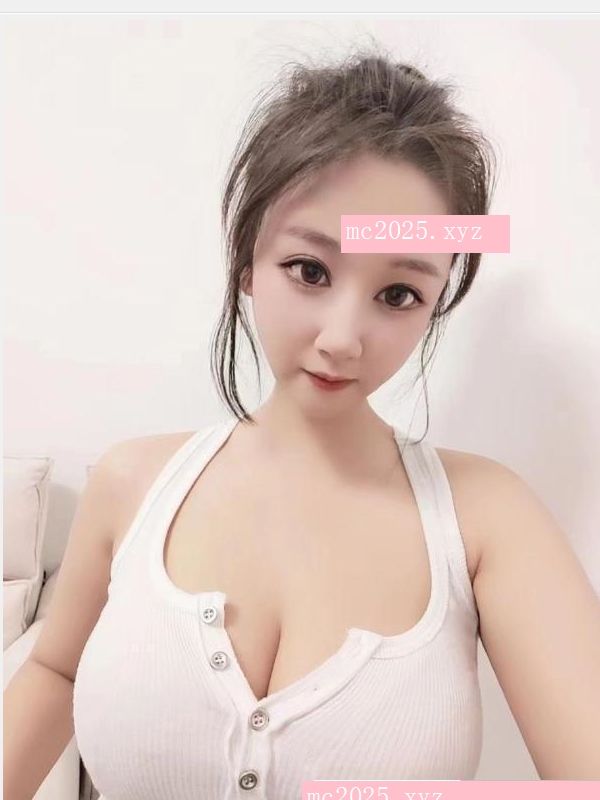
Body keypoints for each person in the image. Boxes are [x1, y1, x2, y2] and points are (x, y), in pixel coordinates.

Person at [5, 46, 600, 800]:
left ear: (433, 307)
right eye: (310, 271)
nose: (343, 338)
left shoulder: (487, 517)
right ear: (247, 263)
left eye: (398, 295)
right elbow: (54, 671)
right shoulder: (131, 483)